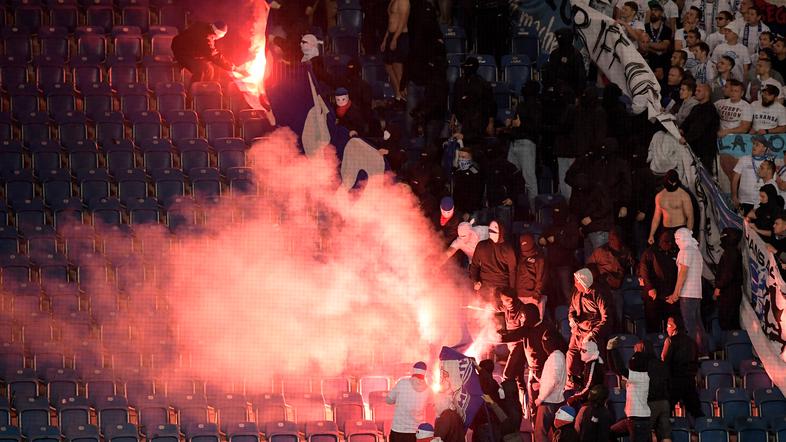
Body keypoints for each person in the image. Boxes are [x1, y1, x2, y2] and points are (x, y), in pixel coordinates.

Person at [556, 88, 607, 199]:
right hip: (581, 153)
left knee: (572, 183)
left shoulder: (577, 110)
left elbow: (563, 128)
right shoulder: (587, 111)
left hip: (579, 153)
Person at [667, 228, 708, 357]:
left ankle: (692, 353)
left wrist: (675, 293)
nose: (676, 242)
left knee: (690, 325)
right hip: (696, 293)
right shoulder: (696, 252)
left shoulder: (685, 251)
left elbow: (682, 274)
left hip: (687, 293)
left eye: (678, 239)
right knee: (697, 324)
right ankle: (703, 352)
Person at [566, 269, 610, 384]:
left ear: (583, 281)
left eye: (577, 281)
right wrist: (572, 318)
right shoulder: (576, 293)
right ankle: (572, 383)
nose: (575, 284)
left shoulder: (598, 294)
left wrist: (592, 334)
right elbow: (572, 309)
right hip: (577, 332)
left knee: (591, 365)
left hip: (591, 333)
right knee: (571, 356)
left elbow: (606, 318)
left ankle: (591, 387)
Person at [607, 337, 651, 442]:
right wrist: (609, 350)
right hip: (632, 419)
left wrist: (613, 350)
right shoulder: (635, 376)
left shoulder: (642, 377)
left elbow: (621, 369)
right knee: (610, 432)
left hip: (639, 421)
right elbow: (615, 369)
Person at [171, 21, 242, 83]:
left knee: (209, 66)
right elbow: (214, 56)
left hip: (184, 48)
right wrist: (233, 68)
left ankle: (205, 89)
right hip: (182, 52)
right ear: (218, 34)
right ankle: (194, 93)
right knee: (203, 70)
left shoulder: (204, 26)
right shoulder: (206, 39)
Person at [539, 201, 580, 309]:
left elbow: (573, 243)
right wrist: (541, 240)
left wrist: (557, 239)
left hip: (565, 265)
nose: (557, 215)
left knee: (567, 293)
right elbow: (543, 236)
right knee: (553, 294)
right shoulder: (552, 225)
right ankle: (557, 319)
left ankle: (573, 315)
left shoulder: (571, 225)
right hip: (551, 265)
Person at [508, 81, 542, 209]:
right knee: (511, 176)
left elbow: (536, 127)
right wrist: (511, 124)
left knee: (529, 180)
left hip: (527, 143)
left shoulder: (536, 105)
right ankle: (513, 209)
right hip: (514, 142)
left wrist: (520, 124)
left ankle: (534, 212)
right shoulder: (521, 105)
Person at [662, 316, 704, 419]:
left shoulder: (670, 341)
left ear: (674, 326)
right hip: (689, 381)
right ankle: (705, 428)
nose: (667, 328)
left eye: (668, 325)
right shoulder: (691, 341)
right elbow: (696, 361)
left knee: (667, 410)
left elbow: (665, 361)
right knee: (696, 411)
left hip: (675, 381)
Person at [638, 230, 679, 333]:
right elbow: (644, 271)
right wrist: (650, 287)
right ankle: (654, 341)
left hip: (669, 294)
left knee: (670, 322)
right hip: (654, 294)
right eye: (666, 242)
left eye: (670, 242)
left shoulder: (674, 252)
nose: (669, 245)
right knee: (653, 321)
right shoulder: (650, 252)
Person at [470, 219, 517, 301]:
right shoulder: (481, 245)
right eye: (490, 230)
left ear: (501, 231)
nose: (491, 232)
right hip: (484, 289)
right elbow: (474, 265)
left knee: (497, 312)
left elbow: (513, 272)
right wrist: (475, 281)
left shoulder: (508, 249)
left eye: (494, 229)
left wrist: (511, 292)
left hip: (502, 291)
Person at [568, 173, 614, 258]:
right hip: (588, 231)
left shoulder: (599, 187)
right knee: (590, 264)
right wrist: (581, 226)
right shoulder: (581, 191)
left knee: (602, 261)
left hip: (599, 229)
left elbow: (606, 207)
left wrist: (591, 218)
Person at [451, 57, 495, 143]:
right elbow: (455, 101)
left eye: (468, 67)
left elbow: (491, 104)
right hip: (461, 120)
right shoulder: (459, 82)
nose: (465, 69)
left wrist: (490, 123)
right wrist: (453, 118)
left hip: (476, 122)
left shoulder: (482, 83)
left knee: (473, 144)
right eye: (465, 67)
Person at [387, 362, 433, 442]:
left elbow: (389, 400)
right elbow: (431, 405)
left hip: (398, 430)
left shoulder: (402, 383)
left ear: (413, 371)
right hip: (417, 432)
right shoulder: (428, 390)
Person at [534, 332, 567, 442]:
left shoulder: (555, 357)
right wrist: (541, 384)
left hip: (548, 402)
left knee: (540, 434)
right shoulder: (559, 356)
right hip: (555, 401)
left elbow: (554, 380)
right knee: (555, 434)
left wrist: (541, 398)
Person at [681, 83, 721, 171]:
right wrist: (682, 129)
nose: (695, 93)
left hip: (704, 150)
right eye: (696, 90)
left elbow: (699, 128)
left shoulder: (710, 109)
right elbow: (687, 121)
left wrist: (686, 138)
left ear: (706, 93)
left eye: (699, 91)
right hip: (693, 146)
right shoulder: (696, 107)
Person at [648, 170, 694, 245]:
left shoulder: (684, 195)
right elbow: (656, 217)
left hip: (680, 229)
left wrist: (688, 235)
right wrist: (651, 235)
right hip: (666, 230)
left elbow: (690, 217)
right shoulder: (660, 196)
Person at [731, 135, 771, 214]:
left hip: (761, 203)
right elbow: (734, 179)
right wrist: (734, 196)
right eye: (753, 144)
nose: (754, 146)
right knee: (742, 225)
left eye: (757, 145)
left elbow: (771, 182)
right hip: (744, 201)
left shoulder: (768, 163)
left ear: (764, 148)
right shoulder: (744, 159)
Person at [714, 228, 743, 330]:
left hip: (729, 291)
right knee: (730, 318)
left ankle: (729, 342)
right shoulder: (733, 251)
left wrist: (719, 287)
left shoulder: (730, 253)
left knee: (727, 319)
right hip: (732, 290)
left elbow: (727, 273)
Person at [380, 0, 410, 103]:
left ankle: (405, 97)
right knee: (388, 66)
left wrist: (395, 38)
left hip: (400, 36)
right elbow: (390, 21)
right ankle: (398, 96)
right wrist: (385, 39)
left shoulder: (404, 1)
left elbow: (403, 21)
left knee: (398, 68)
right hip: (391, 35)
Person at [543, 28, 586, 96]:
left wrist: (578, 94)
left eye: (561, 40)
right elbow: (550, 74)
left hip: (571, 91)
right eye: (559, 40)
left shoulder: (576, 55)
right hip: (556, 90)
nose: (559, 42)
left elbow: (580, 77)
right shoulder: (554, 54)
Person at [566, 340, 606, 407]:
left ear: (590, 352)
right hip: (588, 398)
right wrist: (575, 379)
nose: (581, 352)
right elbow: (586, 382)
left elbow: (589, 386)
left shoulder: (593, 365)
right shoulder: (589, 364)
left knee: (568, 395)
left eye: (584, 351)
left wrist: (574, 397)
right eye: (581, 350)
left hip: (590, 401)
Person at [516, 233, 546, 317]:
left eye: (525, 243)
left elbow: (541, 278)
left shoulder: (539, 258)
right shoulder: (519, 256)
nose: (523, 245)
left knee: (534, 323)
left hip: (533, 297)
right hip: (519, 296)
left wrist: (536, 295)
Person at [641, 2, 673, 78]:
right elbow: (642, 47)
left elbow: (664, 46)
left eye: (656, 10)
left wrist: (648, 44)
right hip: (647, 61)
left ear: (661, 13)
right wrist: (657, 49)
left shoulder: (667, 30)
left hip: (663, 63)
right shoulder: (644, 27)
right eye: (652, 10)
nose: (653, 12)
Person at [452, 147, 484, 219]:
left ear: (470, 158)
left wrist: (469, 211)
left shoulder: (475, 173)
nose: (461, 159)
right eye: (459, 156)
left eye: (463, 157)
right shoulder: (458, 172)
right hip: (459, 209)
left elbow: (477, 194)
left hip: (471, 211)